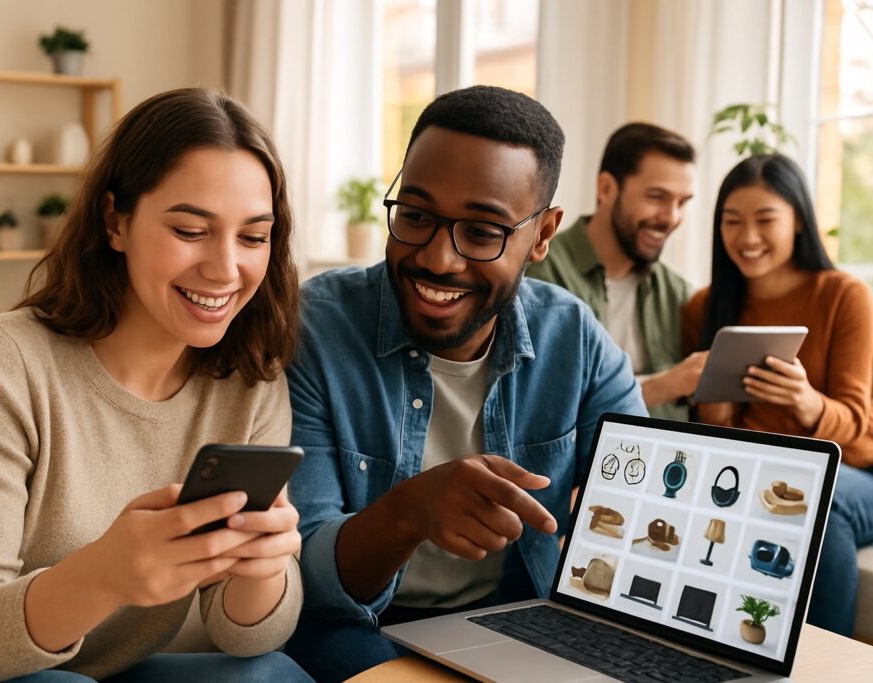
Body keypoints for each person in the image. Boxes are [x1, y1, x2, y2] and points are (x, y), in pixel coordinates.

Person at [0, 89, 310, 683]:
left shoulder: (248, 382)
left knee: (272, 675)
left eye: (253, 237)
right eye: (190, 230)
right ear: (115, 221)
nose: (226, 268)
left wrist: (263, 566)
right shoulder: (3, 363)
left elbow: (247, 636)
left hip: (106, 673)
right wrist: (105, 574)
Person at [284, 85, 647, 682]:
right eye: (416, 216)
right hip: (359, 630)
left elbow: (647, 494)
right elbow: (307, 576)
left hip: (512, 619)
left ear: (543, 234)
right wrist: (408, 514)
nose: (437, 259)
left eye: (482, 232)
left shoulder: (573, 338)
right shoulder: (316, 329)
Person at [682, 153, 873, 638]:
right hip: (755, 468)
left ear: (800, 223)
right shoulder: (705, 306)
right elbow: (713, 438)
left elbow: (858, 428)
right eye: (732, 221)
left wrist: (806, 401)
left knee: (817, 505)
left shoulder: (844, 295)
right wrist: (718, 404)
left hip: (846, 469)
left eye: (766, 220)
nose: (747, 238)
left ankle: (827, 669)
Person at [527, 122, 704, 420]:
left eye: (682, 203)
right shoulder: (539, 277)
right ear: (607, 189)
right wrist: (663, 386)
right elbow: (545, 406)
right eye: (657, 197)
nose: (671, 217)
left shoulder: (679, 294)